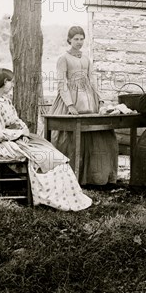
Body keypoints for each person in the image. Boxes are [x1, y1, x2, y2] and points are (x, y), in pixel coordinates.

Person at [0, 68, 92, 211]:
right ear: (5, 82)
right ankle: (51, 197)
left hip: (18, 139)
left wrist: (24, 130)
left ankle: (68, 195)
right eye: (12, 82)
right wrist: (19, 134)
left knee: (54, 154)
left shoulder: (5, 100)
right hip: (6, 144)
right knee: (47, 158)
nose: (13, 85)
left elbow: (16, 119)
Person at [50, 26, 118, 186]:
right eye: (76, 39)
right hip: (70, 97)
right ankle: (68, 176)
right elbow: (61, 83)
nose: (79, 42)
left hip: (88, 97)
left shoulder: (87, 59)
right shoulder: (63, 59)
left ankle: (90, 176)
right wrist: (70, 105)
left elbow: (93, 81)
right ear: (69, 40)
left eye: (81, 39)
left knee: (94, 134)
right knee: (69, 137)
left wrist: (100, 99)